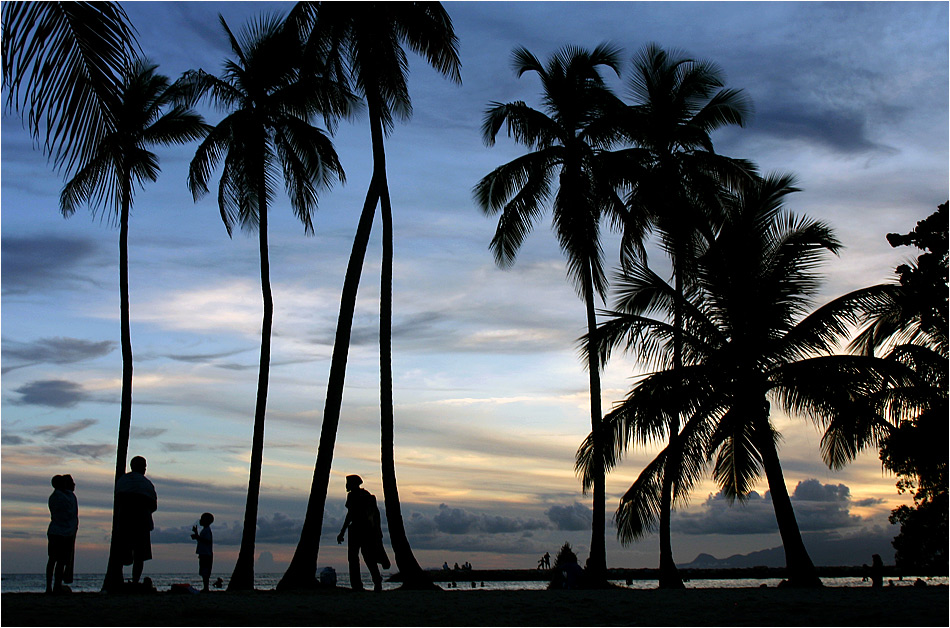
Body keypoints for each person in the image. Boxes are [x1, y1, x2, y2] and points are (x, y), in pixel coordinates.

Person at [337, 475, 390, 591]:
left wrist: (342, 531)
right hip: (363, 530)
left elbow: (350, 515)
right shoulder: (363, 495)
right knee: (364, 557)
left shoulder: (358, 496)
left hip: (361, 530)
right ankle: (371, 582)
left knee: (360, 557)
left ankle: (364, 584)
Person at [115, 456, 157, 585]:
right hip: (141, 523)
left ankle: (120, 578)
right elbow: (153, 506)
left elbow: (118, 499)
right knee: (139, 555)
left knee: (122, 553)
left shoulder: (123, 481)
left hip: (124, 521)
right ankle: (135, 581)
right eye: (144, 466)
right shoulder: (146, 484)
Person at [46, 474, 78, 594]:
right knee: (59, 561)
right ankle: (56, 586)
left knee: (54, 560)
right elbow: (71, 514)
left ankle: (51, 586)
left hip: (56, 531)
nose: (74, 485)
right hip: (63, 533)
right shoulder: (68, 497)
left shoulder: (54, 496)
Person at [190, 512, 214, 592]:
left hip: (206, 554)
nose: (200, 520)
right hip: (204, 553)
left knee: (205, 571)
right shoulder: (205, 530)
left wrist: (197, 537)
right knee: (204, 570)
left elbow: (207, 541)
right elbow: (202, 540)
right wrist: (196, 534)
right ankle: (206, 587)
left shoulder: (207, 530)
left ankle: (206, 588)